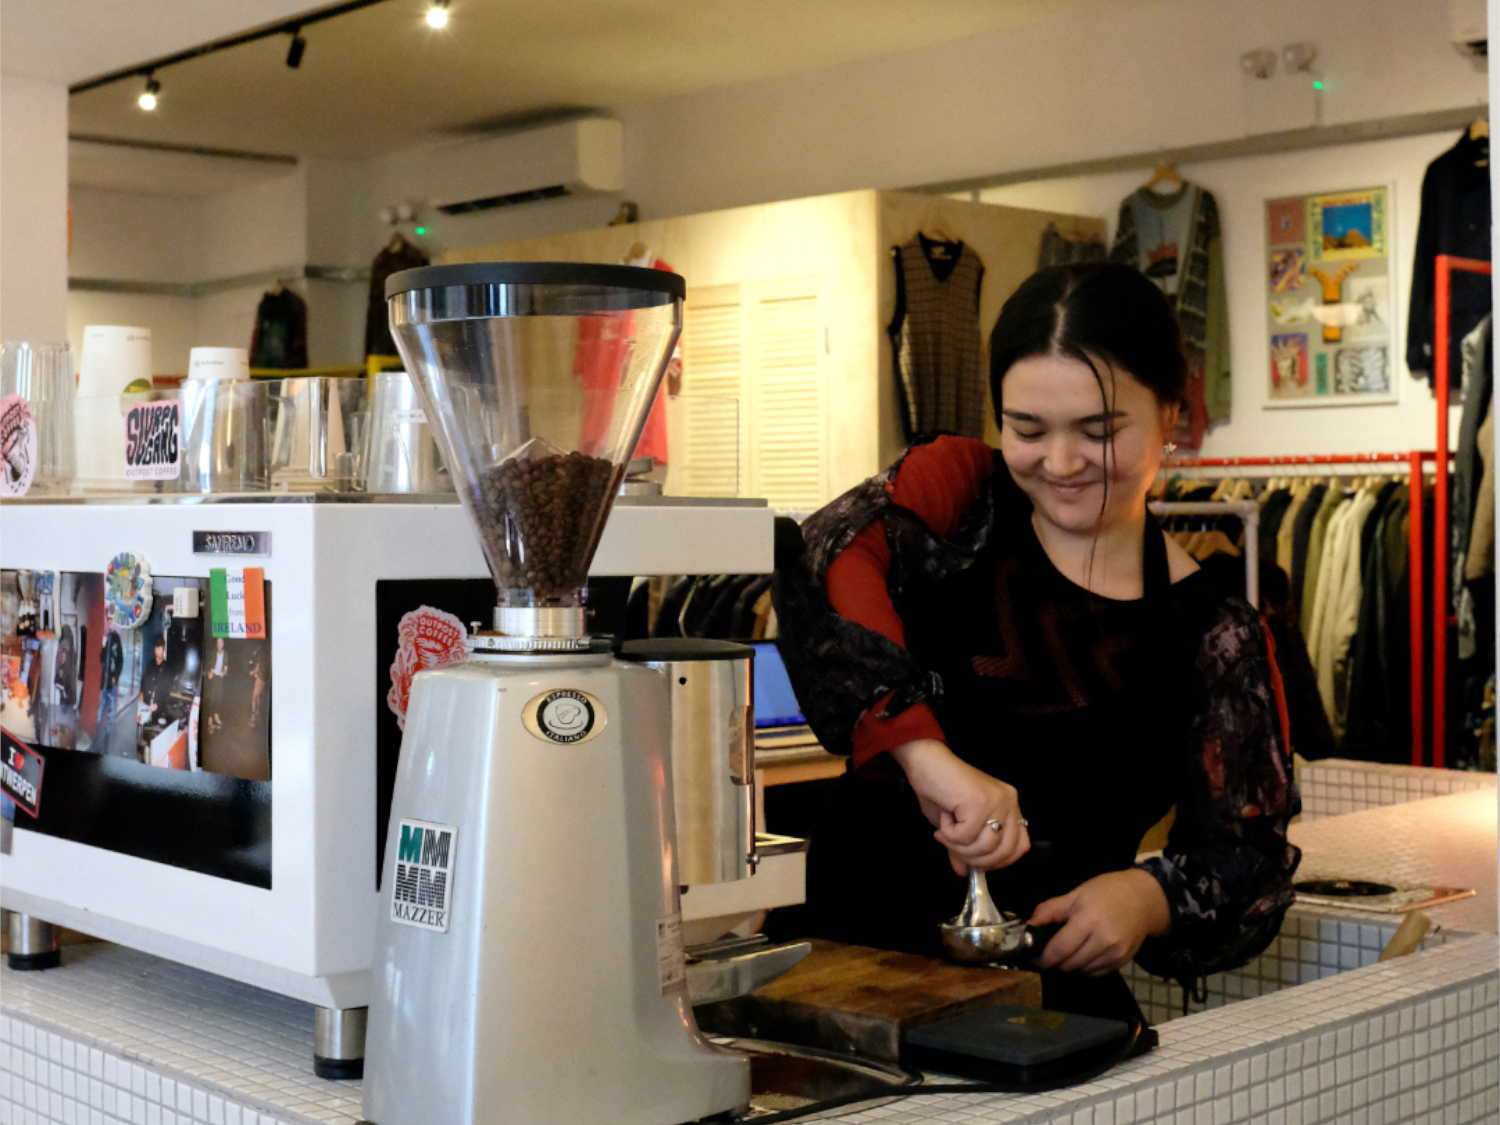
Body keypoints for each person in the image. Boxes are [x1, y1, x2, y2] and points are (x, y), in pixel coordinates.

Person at [772, 261, 1300, 1029]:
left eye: (1100, 431)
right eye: (1028, 430)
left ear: (1171, 414)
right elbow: (820, 559)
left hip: (1042, 1004)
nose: (1059, 463)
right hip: (851, 966)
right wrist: (926, 756)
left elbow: (1246, 858)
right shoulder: (959, 500)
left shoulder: (1214, 632)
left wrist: (1145, 896)